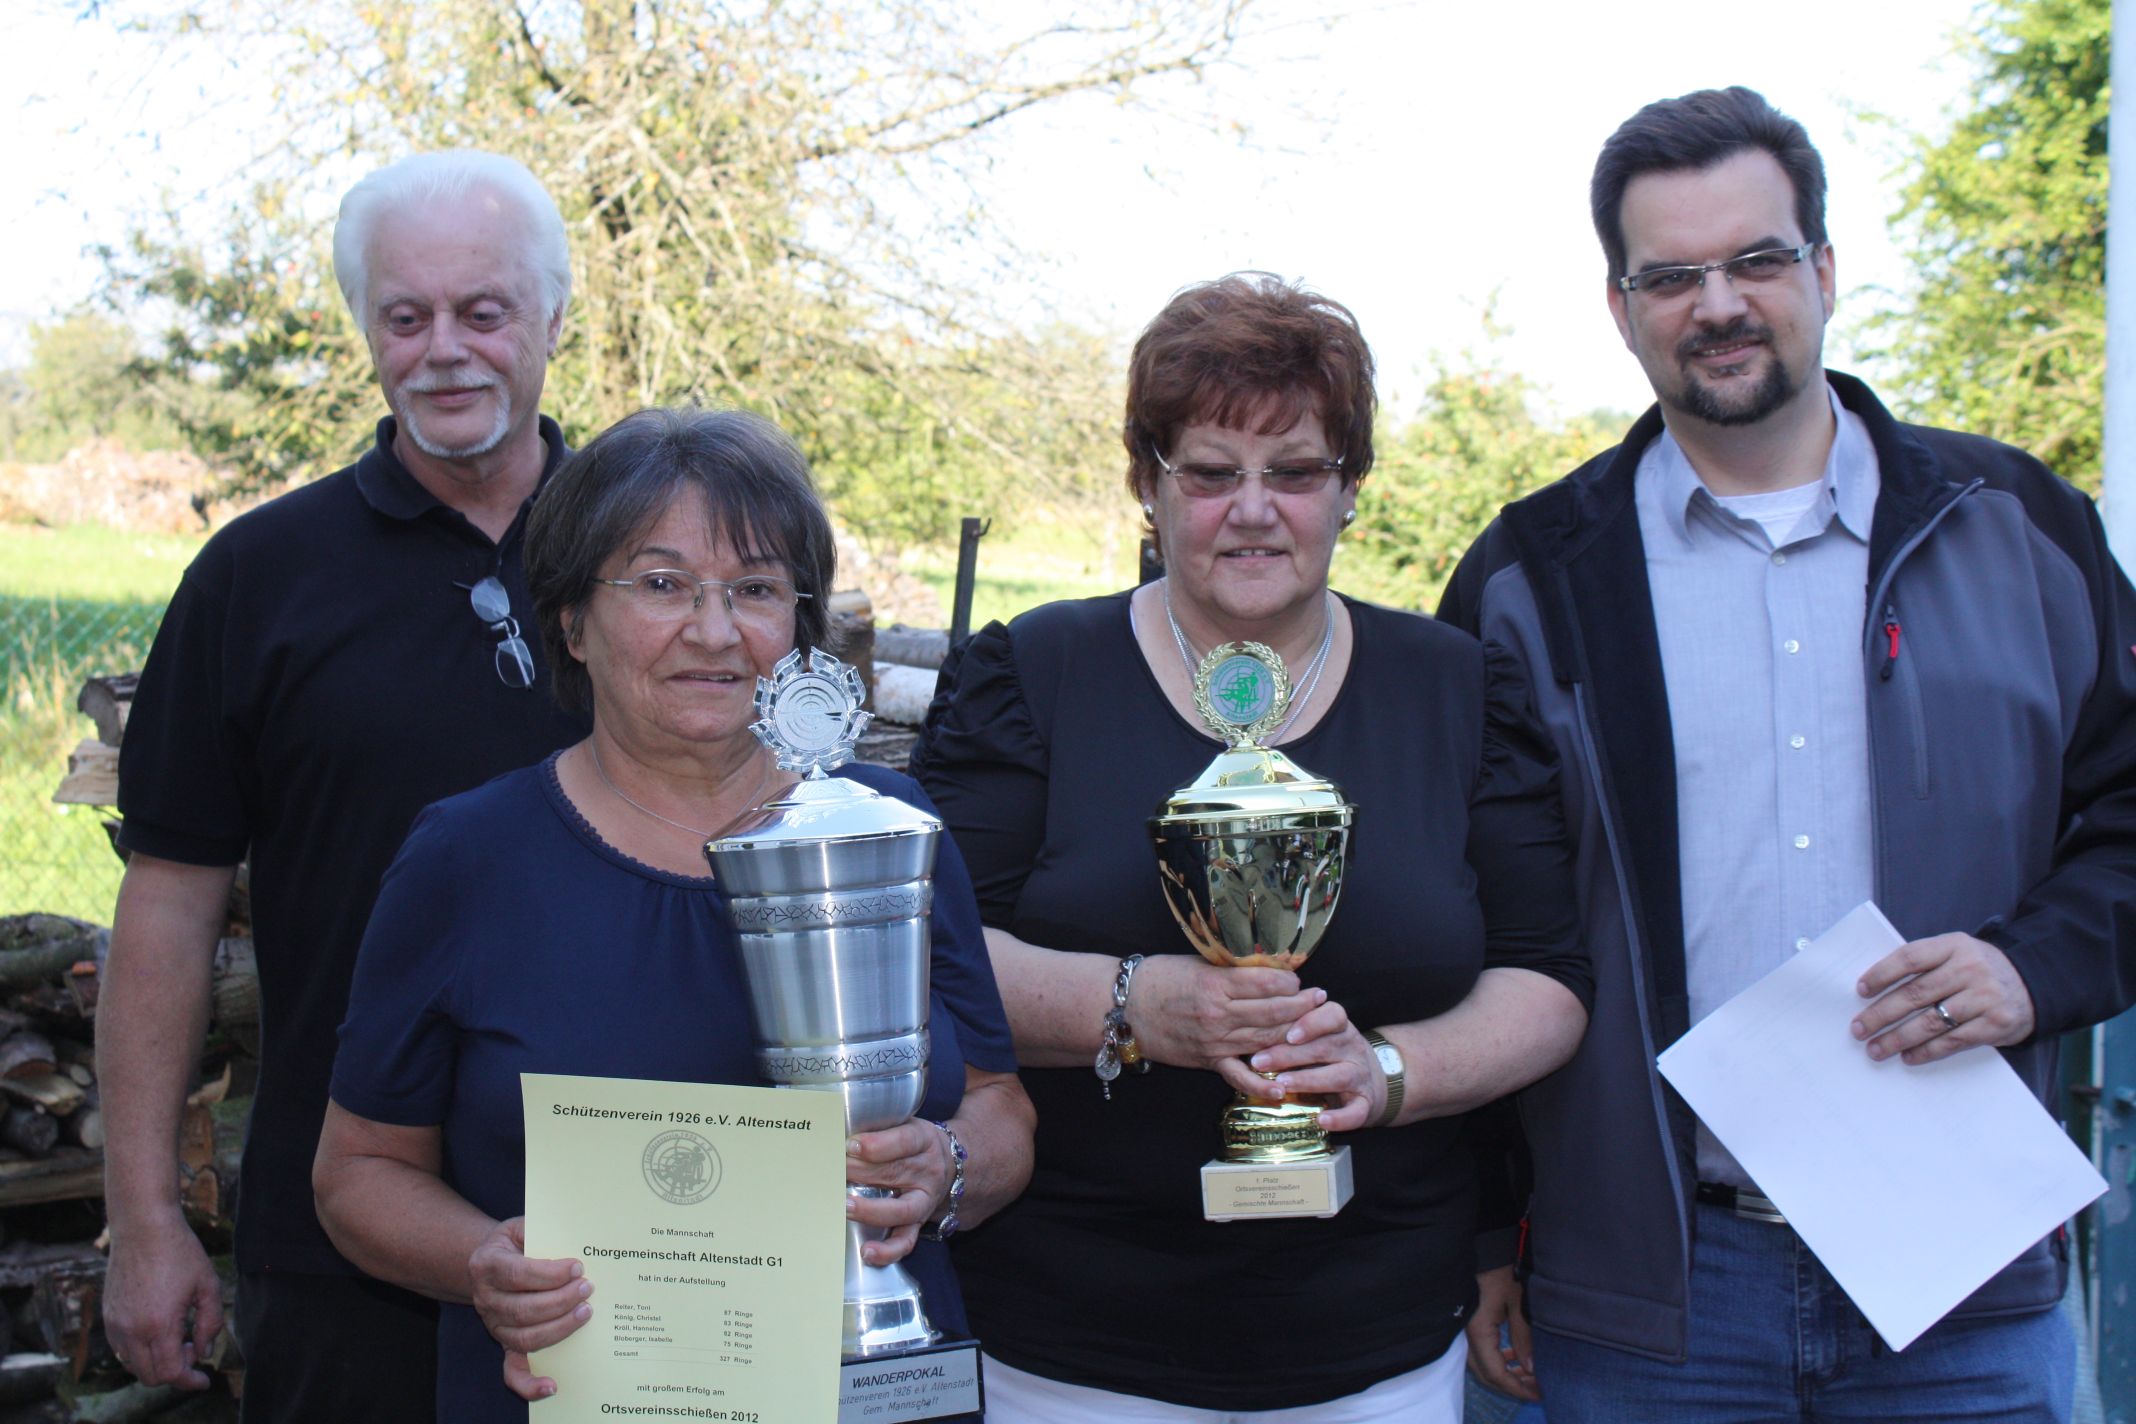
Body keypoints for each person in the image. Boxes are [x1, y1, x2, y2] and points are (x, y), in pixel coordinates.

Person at [1441, 87, 2136, 1423]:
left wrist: (2031, 967)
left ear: (1822, 267)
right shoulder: (1535, 580)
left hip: (1962, 1277)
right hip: (1653, 1305)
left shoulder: (2020, 528)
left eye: (1756, 259)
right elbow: (1477, 920)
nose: (1719, 304)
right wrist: (1484, 1233)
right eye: (1672, 276)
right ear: (1621, 306)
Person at [908, 272, 1593, 1422]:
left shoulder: (1457, 686)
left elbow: (1549, 976)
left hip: (1380, 1345)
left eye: (1297, 471)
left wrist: (1385, 1073)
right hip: (1069, 1344)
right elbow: (940, 951)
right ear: (1149, 483)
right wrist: (1136, 1005)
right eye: (1212, 472)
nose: (1255, 509)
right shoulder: (1033, 673)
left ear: (1350, 487)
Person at [312, 407, 1035, 1422]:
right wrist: (480, 1261)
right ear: (572, 621)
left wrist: (947, 1166)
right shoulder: (466, 859)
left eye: (756, 588)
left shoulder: (888, 827)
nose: (714, 629)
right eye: (661, 584)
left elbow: (1001, 1106)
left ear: (799, 624)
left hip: (876, 1388)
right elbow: (358, 1171)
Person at [98, 151, 590, 1421]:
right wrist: (144, 1218)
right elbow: (168, 907)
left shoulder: (656, 557)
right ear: (364, 326)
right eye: (404, 315)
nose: (444, 350)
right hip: (342, 1240)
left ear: (554, 314)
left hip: (635, 1223)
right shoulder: (258, 576)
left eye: (483, 311)